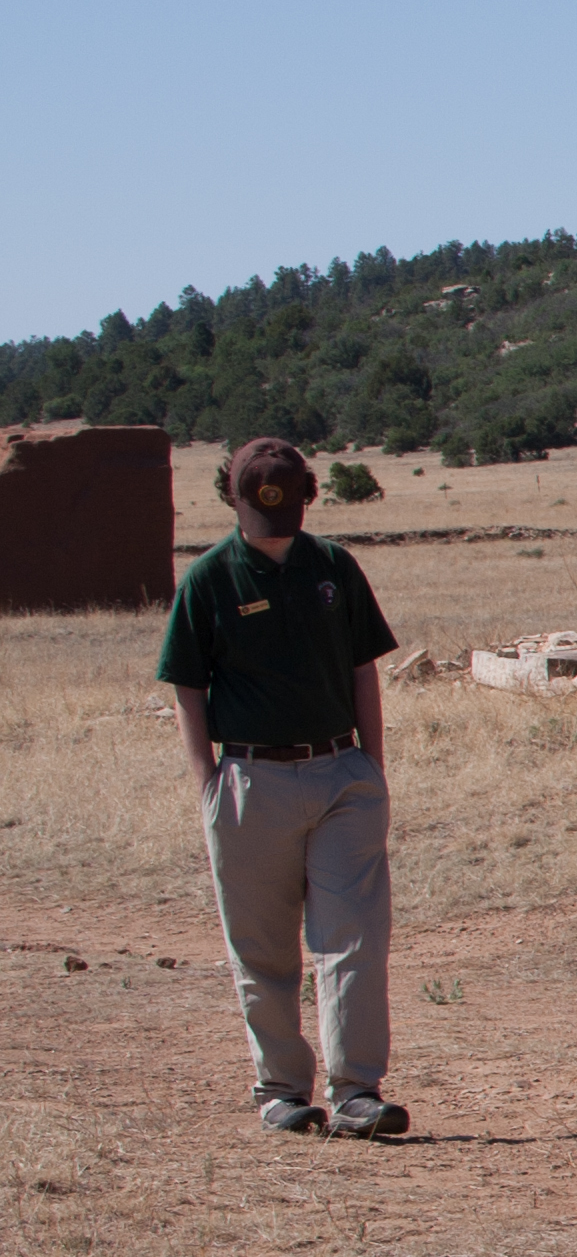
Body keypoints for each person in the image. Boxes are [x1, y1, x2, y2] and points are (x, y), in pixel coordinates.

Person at [156, 437, 410, 1138]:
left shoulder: (333, 567)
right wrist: (210, 782)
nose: (274, 529)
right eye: (259, 512)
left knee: (353, 937)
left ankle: (357, 1090)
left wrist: (371, 767)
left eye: (286, 510)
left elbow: (364, 670)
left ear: (307, 497)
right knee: (263, 949)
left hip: (340, 776)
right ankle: (281, 1090)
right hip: (248, 780)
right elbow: (188, 685)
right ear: (233, 500)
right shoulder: (207, 579)